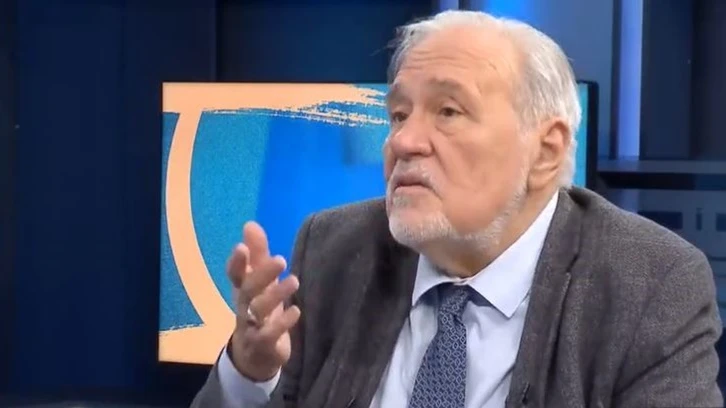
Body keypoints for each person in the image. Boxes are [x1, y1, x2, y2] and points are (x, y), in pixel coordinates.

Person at [192, 10, 723, 408]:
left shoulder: (649, 284)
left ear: (546, 151)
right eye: (399, 115)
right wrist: (250, 373)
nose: (403, 142)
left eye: (448, 111)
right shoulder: (335, 247)